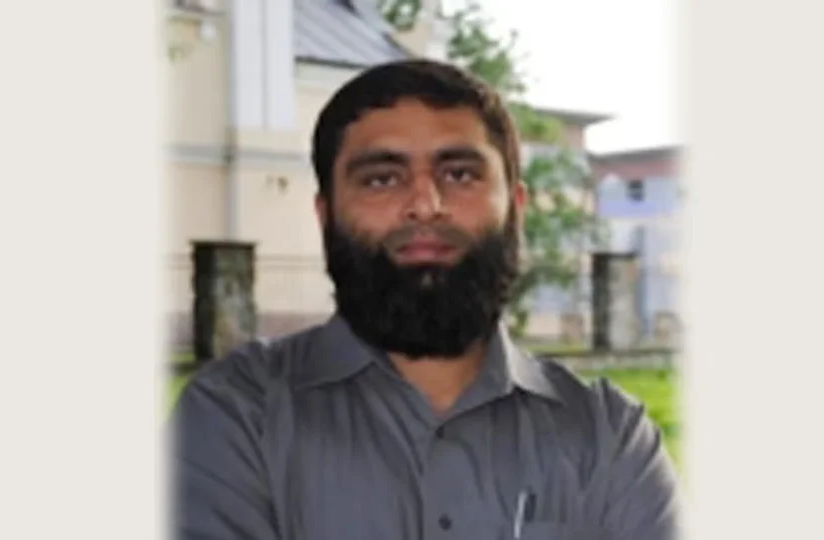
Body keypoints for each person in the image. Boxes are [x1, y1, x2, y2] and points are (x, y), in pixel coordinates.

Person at [172, 59, 680, 540]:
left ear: (516, 208)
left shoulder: (608, 438)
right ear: (325, 216)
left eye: (459, 174)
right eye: (381, 179)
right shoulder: (236, 416)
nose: (425, 205)